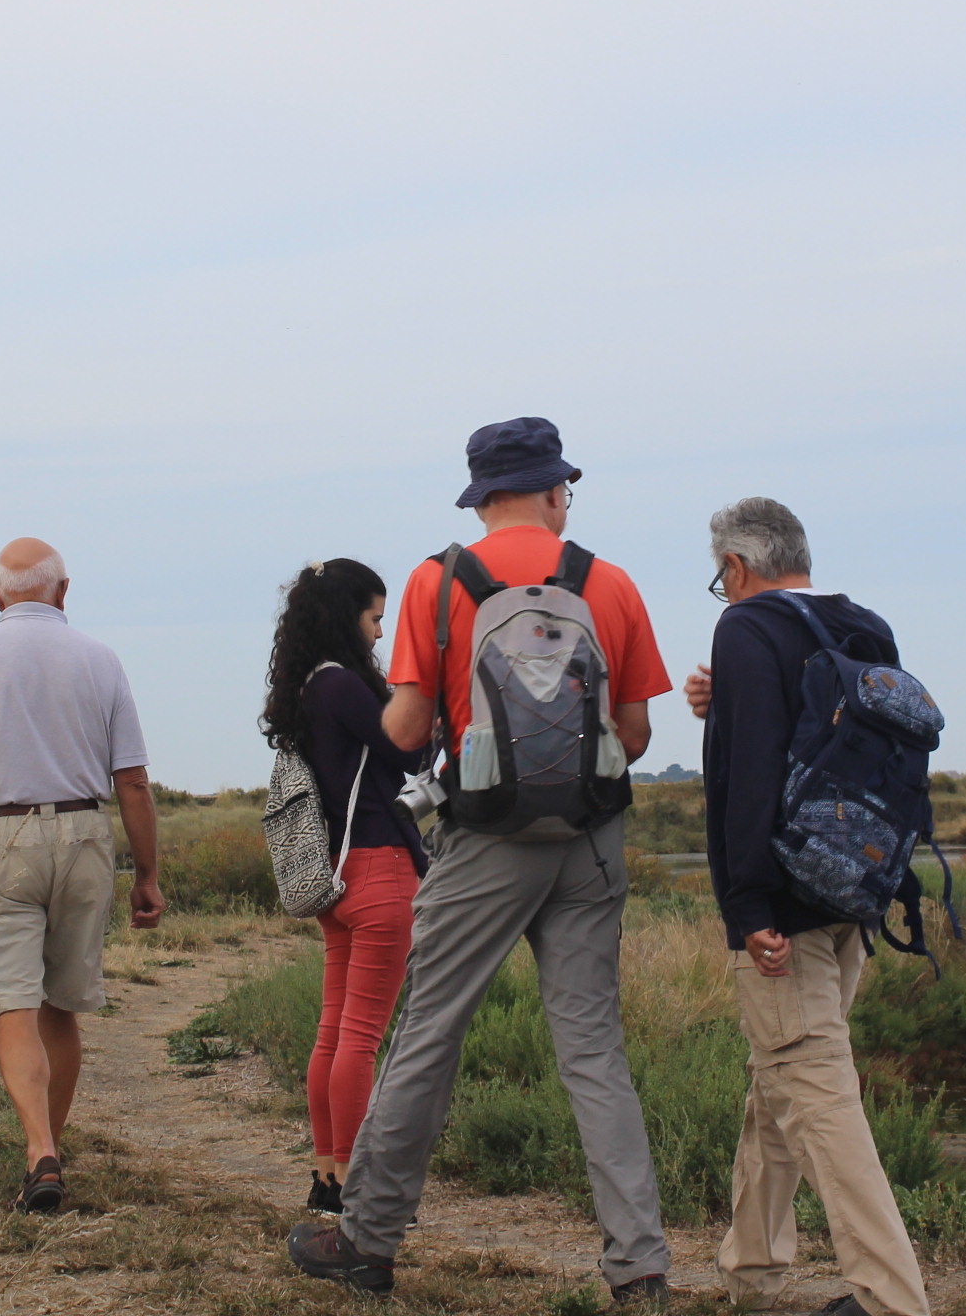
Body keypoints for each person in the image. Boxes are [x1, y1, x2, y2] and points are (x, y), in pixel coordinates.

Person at [288, 417, 675, 1302]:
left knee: (428, 1033)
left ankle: (370, 1240)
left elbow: (411, 729)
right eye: (565, 487)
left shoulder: (435, 582)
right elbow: (639, 734)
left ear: (481, 496)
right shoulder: (608, 583)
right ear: (549, 489)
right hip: (589, 847)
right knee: (594, 1053)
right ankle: (640, 1265)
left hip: (483, 845)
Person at [682, 498, 930, 1316]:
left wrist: (747, 905)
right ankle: (752, 1274)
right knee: (779, 1079)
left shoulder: (746, 629)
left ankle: (890, 1297)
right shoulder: (861, 626)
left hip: (780, 910)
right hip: (851, 892)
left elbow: (747, 774)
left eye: (722, 580)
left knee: (815, 1094)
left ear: (738, 567)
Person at [0, 537, 165, 1214]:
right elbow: (131, 779)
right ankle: (50, 1149)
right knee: (61, 1006)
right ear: (63, 591)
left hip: (0, 833)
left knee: (12, 1002)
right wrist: (147, 874)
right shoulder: (101, 659)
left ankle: (38, 1146)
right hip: (83, 831)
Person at [260, 558, 427, 1217]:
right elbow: (408, 750)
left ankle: (328, 1174)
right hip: (381, 868)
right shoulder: (344, 687)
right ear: (345, 618)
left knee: (334, 1032)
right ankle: (359, 1184)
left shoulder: (305, 687)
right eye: (375, 618)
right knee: (360, 1037)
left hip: (336, 879)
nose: (380, 634)